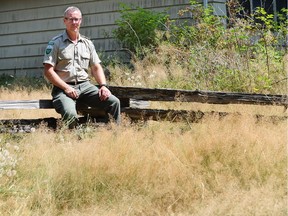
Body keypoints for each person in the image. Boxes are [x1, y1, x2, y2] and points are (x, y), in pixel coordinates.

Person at [43, 6, 120, 128]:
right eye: (71, 19)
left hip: (85, 86)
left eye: (77, 19)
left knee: (114, 102)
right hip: (63, 88)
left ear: (81, 21)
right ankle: (74, 140)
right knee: (70, 114)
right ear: (65, 21)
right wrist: (66, 88)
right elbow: (48, 71)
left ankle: (115, 134)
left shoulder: (87, 43)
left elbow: (96, 67)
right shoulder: (56, 43)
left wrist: (103, 86)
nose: (74, 22)